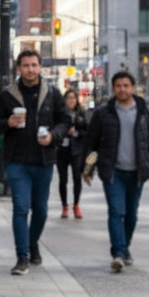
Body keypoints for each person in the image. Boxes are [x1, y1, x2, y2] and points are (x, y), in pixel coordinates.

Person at [0, 50, 70, 276]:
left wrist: (53, 136)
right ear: (18, 68)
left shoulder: (52, 93)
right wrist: (7, 121)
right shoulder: (8, 95)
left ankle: (32, 242)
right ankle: (22, 257)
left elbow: (65, 120)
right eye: (26, 65)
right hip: (17, 161)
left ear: (40, 66)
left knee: (41, 211)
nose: (30, 69)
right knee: (21, 208)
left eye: (34, 65)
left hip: (44, 160)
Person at [83, 70, 149, 272]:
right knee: (116, 211)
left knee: (131, 215)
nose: (122, 89)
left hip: (137, 172)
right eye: (118, 86)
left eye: (126, 85)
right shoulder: (103, 113)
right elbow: (90, 143)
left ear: (133, 88)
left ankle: (124, 248)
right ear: (113, 88)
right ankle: (118, 253)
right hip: (113, 171)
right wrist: (87, 169)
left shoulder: (145, 111)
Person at [56, 87, 87, 219]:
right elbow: (55, 129)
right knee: (63, 179)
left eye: (73, 98)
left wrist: (77, 133)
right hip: (62, 149)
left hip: (76, 149)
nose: (71, 101)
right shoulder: (60, 114)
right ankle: (64, 206)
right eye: (68, 98)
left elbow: (87, 131)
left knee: (76, 177)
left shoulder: (81, 113)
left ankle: (76, 204)